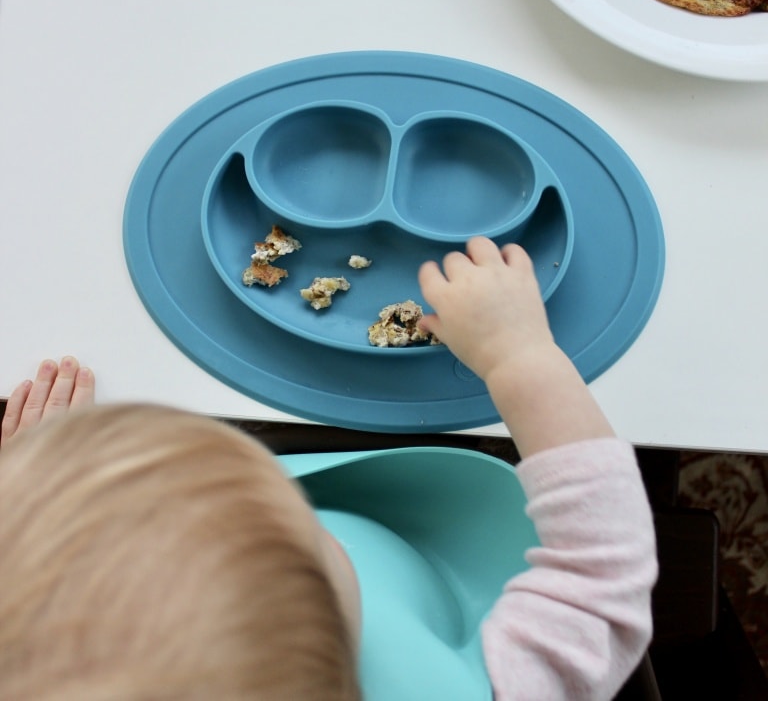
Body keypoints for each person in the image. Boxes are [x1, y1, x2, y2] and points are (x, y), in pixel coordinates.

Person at [0, 238, 657, 700]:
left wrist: (35, 501)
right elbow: (604, 574)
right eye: (315, 547)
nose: (324, 534)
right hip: (460, 563)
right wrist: (521, 356)